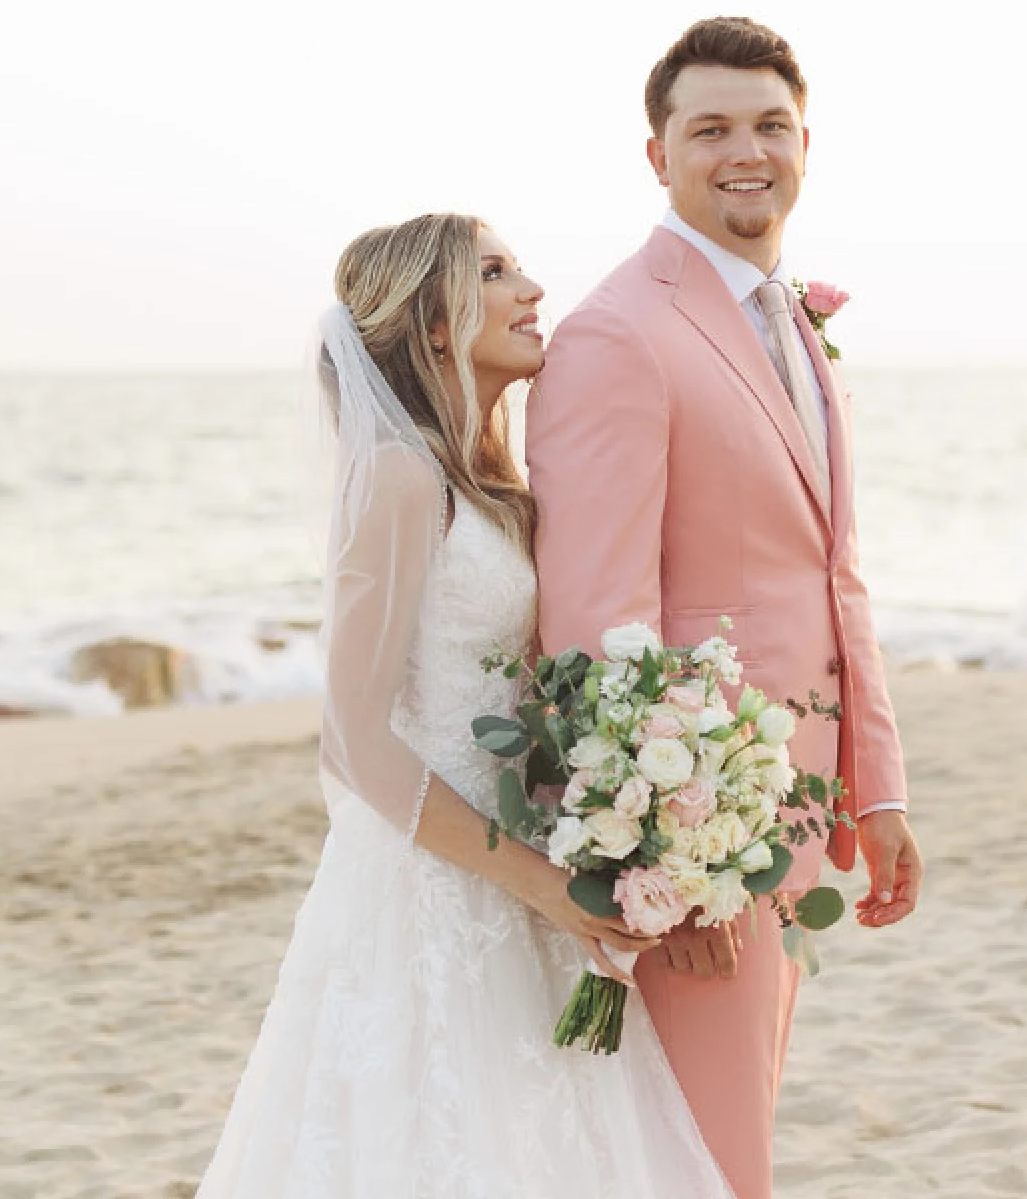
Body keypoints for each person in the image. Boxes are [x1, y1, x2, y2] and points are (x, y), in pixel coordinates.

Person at [196, 213, 734, 1197]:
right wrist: (540, 883)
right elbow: (353, 738)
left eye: (521, 266)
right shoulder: (402, 481)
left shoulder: (491, 483)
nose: (532, 289)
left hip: (518, 860)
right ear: (436, 324)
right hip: (426, 885)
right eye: (494, 272)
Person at [526, 16, 927, 1199]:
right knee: (708, 1161)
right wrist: (663, 870)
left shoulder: (788, 319)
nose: (743, 151)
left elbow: (831, 573)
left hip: (791, 809)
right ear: (657, 155)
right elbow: (598, 619)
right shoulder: (616, 334)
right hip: (702, 834)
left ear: (805, 141)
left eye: (767, 125)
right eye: (709, 129)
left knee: (722, 1137)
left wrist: (877, 787)